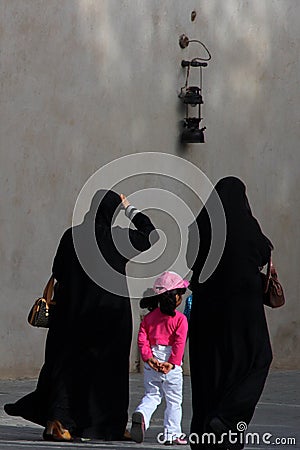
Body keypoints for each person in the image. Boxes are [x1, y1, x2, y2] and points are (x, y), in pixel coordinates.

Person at [4, 190, 159, 442]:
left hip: (72, 314)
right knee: (110, 371)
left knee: (67, 368)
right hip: (111, 318)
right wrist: (129, 208)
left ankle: (58, 421)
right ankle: (110, 425)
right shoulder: (119, 238)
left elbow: (58, 271)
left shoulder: (72, 235)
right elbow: (150, 235)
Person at [187, 177, 273, 450]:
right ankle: (227, 419)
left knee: (208, 370)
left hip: (206, 310)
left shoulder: (199, 227)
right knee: (258, 359)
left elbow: (191, 258)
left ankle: (204, 435)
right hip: (242, 311)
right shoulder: (247, 226)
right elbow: (262, 252)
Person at [131, 271, 189, 445]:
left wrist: (149, 359)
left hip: (152, 361)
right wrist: (172, 364)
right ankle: (172, 434)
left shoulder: (148, 318)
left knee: (152, 394)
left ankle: (142, 414)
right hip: (171, 363)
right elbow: (179, 343)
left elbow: (142, 339)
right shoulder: (180, 320)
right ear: (176, 297)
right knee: (174, 400)